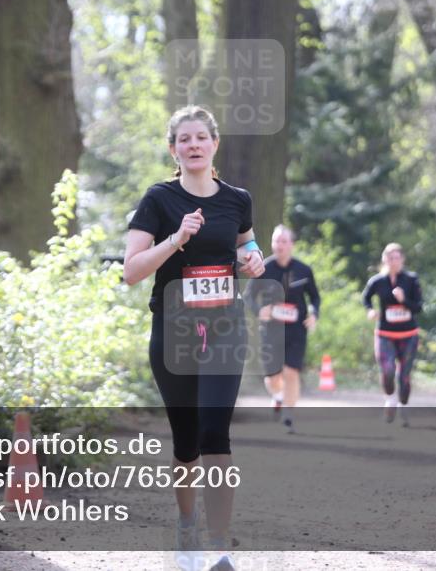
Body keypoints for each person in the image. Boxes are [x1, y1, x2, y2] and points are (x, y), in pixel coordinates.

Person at [124, 105, 265, 571]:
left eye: (201, 137)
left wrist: (253, 258)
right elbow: (131, 271)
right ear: (173, 149)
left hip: (225, 327)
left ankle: (220, 544)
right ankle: (188, 527)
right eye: (184, 139)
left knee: (214, 433)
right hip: (174, 331)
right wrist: (175, 241)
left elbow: (245, 241)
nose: (194, 145)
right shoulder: (158, 200)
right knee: (186, 440)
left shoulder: (236, 198)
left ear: (215, 144)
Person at [245, 225, 320, 434]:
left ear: (292, 245)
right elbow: (248, 296)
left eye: (284, 241)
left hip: (296, 329)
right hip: (271, 329)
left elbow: (314, 297)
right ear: (272, 244)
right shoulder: (264, 269)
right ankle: (278, 397)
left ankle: (288, 415)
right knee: (272, 377)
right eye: (276, 241)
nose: (280, 245)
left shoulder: (304, 270)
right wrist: (260, 310)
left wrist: (314, 314)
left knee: (291, 371)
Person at [361, 243, 423, 427]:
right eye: (390, 258)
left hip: (408, 334)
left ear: (402, 259)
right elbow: (365, 298)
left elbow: (419, 307)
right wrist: (370, 310)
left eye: (397, 257)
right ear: (384, 260)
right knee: (387, 370)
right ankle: (390, 400)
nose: (393, 261)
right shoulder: (377, 281)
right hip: (385, 333)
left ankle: (404, 405)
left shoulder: (411, 280)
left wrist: (404, 300)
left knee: (404, 376)